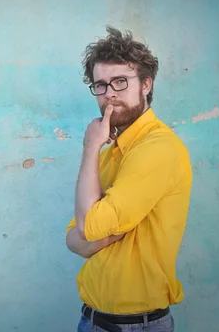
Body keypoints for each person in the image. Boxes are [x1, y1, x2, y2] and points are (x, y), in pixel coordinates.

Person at [65, 26, 193, 332]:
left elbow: (87, 227)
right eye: (101, 85)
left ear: (146, 84)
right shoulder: (114, 152)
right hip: (92, 319)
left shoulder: (157, 148)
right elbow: (74, 237)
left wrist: (90, 144)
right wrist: (96, 233)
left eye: (120, 82)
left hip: (137, 326)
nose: (110, 93)